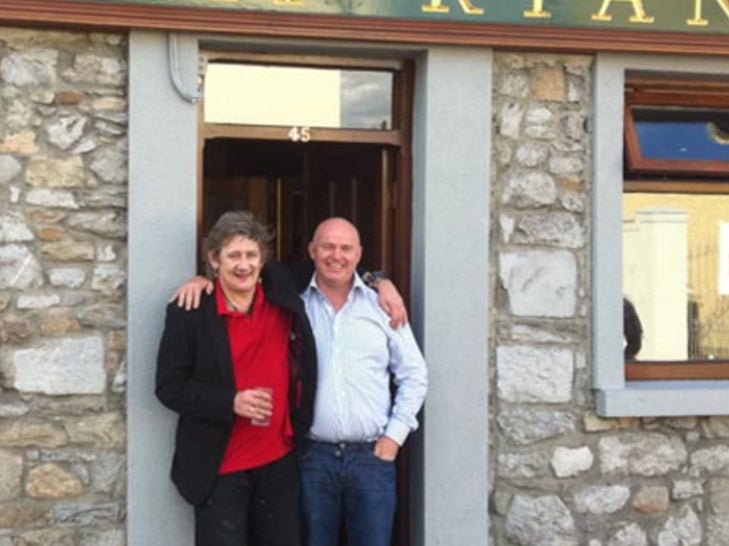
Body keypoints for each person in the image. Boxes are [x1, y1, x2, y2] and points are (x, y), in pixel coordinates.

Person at [155, 211, 317, 546]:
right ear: (214, 260)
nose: (243, 265)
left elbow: (335, 263)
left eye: (251, 255)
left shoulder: (280, 290)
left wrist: (380, 281)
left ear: (262, 260)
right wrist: (232, 402)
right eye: (233, 256)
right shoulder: (190, 312)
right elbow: (169, 387)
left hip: (278, 461)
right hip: (220, 467)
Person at [298, 217, 427, 546]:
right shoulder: (294, 306)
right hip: (313, 458)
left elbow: (414, 374)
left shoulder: (383, 307)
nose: (336, 256)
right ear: (312, 250)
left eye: (345, 248)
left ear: (359, 254)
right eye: (327, 246)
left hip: (371, 459)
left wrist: (394, 438)